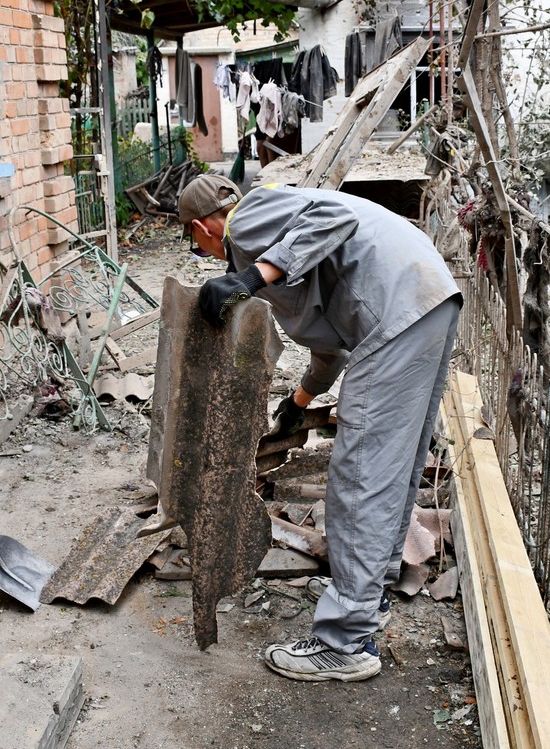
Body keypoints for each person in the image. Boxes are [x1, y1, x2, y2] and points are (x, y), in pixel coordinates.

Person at [177, 173, 461, 682]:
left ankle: (346, 640)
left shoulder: (247, 223)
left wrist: (250, 278)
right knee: (390, 467)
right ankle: (367, 597)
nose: (199, 251)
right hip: (424, 297)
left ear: (203, 226)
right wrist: (299, 400)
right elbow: (329, 343)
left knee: (358, 475)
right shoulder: (271, 240)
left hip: (398, 308)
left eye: (193, 240)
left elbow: (336, 217)